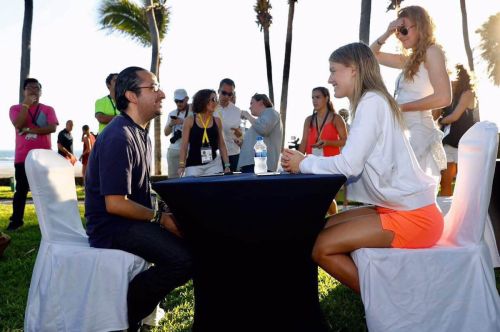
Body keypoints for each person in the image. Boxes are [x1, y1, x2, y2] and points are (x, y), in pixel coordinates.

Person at [281, 43, 443, 293]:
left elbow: (348, 164)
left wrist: (304, 163)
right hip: (399, 207)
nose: (329, 78)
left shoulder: (372, 102)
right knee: (323, 228)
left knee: (321, 247)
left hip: (416, 217)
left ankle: (386, 304)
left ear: (353, 69)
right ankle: (382, 296)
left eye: (334, 71)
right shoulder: (373, 102)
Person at [84, 66, 192, 330]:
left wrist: (168, 210)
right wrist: (159, 218)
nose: (162, 93)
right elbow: (115, 203)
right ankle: (123, 316)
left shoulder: (139, 133)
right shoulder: (118, 136)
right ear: (131, 96)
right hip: (112, 227)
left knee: (197, 240)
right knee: (183, 260)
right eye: (153, 87)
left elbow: (141, 190)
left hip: (133, 221)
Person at [370, 5, 451, 185]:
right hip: (403, 130)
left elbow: (444, 97)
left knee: (409, 192)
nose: (399, 35)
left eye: (404, 30)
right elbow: (371, 55)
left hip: (418, 132)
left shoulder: (433, 52)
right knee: (399, 193)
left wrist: (400, 107)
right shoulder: (411, 59)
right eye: (398, 31)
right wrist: (387, 33)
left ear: (420, 26)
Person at [7, 78, 58, 231]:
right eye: (29, 87)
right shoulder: (15, 108)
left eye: (36, 88)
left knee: (46, 190)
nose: (33, 90)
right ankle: (16, 221)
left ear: (41, 92)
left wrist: (29, 130)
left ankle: (50, 221)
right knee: (21, 190)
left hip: (43, 156)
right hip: (23, 156)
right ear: (24, 91)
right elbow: (18, 125)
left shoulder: (48, 109)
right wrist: (26, 105)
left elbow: (52, 128)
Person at [298, 87, 347, 214]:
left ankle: (332, 222)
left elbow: (345, 141)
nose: (314, 100)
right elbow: (303, 142)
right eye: (312, 97)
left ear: (326, 98)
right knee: (313, 197)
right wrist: (297, 159)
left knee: (328, 197)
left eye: (318, 97)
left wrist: (328, 143)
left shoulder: (336, 118)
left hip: (329, 164)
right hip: (310, 163)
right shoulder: (309, 119)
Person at [438, 64, 477, 196]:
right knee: (445, 182)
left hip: (464, 142)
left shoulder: (468, 94)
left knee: (465, 183)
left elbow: (455, 117)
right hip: (448, 142)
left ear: (461, 78)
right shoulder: (447, 96)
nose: (449, 81)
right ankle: (446, 210)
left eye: (452, 78)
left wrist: (440, 121)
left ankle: (466, 212)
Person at [178, 89, 231, 177]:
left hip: (214, 165)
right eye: (213, 99)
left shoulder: (217, 121)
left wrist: (227, 165)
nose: (216, 102)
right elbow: (184, 145)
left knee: (214, 190)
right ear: (203, 101)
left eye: (216, 100)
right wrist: (181, 165)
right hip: (193, 166)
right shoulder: (190, 120)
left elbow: (222, 144)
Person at [238, 93, 283, 173]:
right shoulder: (258, 121)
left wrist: (248, 116)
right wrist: (241, 143)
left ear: (261, 102)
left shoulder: (271, 112)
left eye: (252, 103)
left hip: (259, 166)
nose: (249, 107)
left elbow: (264, 129)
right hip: (253, 165)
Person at [214, 78, 242, 171]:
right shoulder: (210, 108)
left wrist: (239, 136)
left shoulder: (237, 111)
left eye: (230, 94)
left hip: (233, 154)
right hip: (214, 155)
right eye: (224, 93)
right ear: (218, 91)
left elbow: (239, 135)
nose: (227, 96)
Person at [164, 89, 190, 179]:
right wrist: (171, 124)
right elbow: (166, 133)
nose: (179, 103)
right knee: (173, 181)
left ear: (187, 99)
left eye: (181, 101)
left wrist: (183, 122)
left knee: (190, 180)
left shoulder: (193, 112)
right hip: (174, 150)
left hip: (189, 151)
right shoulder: (172, 113)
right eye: (176, 101)